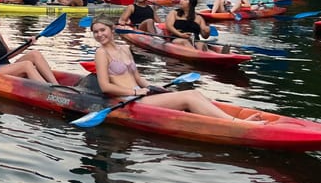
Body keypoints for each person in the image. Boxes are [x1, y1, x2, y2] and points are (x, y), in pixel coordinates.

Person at [89, 15, 262, 120]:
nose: (99, 35)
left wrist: (150, 86)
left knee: (195, 93)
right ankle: (236, 123)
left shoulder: (125, 48)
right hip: (127, 101)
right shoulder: (101, 53)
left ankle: (229, 119)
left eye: (102, 30)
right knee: (189, 97)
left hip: (140, 95)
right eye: (95, 32)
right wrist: (136, 93)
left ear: (112, 30)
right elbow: (105, 87)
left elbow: (137, 78)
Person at [0, 3, 59, 84]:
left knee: (35, 54)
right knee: (26, 64)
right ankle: (49, 91)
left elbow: (9, 54)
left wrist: (27, 44)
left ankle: (56, 85)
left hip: (5, 67)